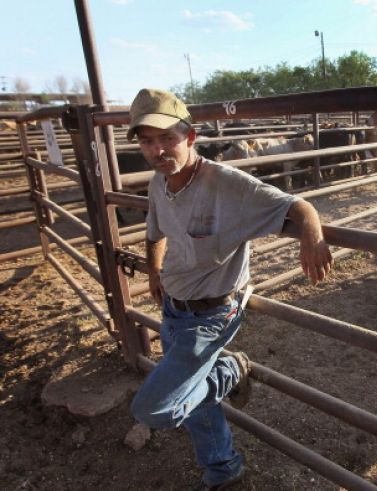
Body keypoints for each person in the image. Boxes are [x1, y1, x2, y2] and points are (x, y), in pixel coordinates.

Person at [127, 88, 333, 490]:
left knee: (154, 409)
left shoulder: (227, 184)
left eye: (166, 138)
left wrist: (312, 235)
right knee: (194, 398)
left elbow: (297, 205)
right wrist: (154, 271)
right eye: (147, 141)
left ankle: (230, 367)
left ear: (190, 137)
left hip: (211, 314)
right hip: (173, 307)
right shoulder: (159, 182)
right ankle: (224, 468)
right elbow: (154, 232)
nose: (157, 150)